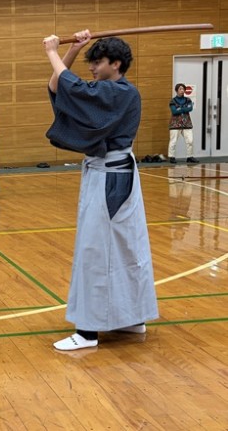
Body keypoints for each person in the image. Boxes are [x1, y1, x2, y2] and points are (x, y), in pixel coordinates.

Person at [42, 30, 159, 351]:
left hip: (112, 179)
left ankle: (88, 332)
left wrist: (52, 51)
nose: (92, 68)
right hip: (111, 175)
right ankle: (129, 318)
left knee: (97, 251)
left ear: (116, 64)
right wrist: (73, 50)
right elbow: (59, 86)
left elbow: (74, 88)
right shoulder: (113, 91)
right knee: (122, 249)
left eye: (98, 62)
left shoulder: (121, 92)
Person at [168, 83, 199, 164]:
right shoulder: (172, 101)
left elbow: (190, 108)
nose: (182, 91)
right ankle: (171, 157)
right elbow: (174, 111)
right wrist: (184, 108)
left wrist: (180, 108)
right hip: (175, 124)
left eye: (183, 89)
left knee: (190, 140)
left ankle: (190, 156)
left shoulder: (188, 100)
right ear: (176, 90)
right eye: (180, 89)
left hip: (187, 123)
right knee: (173, 141)